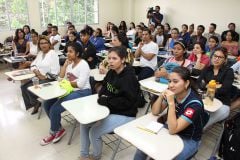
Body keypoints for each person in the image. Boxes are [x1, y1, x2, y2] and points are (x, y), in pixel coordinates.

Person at [79, 46, 141, 160]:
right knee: (84, 124)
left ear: (122, 60)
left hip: (126, 114)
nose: (110, 61)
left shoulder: (129, 77)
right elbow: (103, 89)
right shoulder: (111, 72)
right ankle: (84, 155)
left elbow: (127, 102)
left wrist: (106, 100)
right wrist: (105, 100)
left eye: (114, 58)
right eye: (109, 58)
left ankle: (96, 156)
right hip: (109, 108)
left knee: (94, 131)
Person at [134, 66, 209, 160]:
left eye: (175, 81)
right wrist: (162, 95)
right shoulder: (173, 93)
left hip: (188, 138)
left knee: (165, 157)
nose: (171, 85)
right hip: (170, 128)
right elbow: (155, 111)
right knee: (143, 146)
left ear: (186, 83)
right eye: (169, 81)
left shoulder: (194, 104)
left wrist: (171, 103)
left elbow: (173, 129)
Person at [40, 42, 92, 146]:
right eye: (67, 51)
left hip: (83, 92)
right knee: (46, 103)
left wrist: (66, 83)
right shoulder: (70, 64)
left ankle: (54, 132)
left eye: (70, 52)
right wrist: (65, 65)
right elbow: (60, 78)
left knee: (54, 109)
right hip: (69, 90)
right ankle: (59, 128)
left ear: (77, 53)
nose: (67, 54)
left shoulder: (83, 64)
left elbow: (80, 85)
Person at [20, 36, 60, 114]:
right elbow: (33, 65)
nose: (43, 45)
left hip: (50, 79)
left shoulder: (52, 54)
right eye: (41, 43)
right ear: (39, 45)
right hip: (39, 76)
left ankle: (36, 103)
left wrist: (44, 76)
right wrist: (37, 72)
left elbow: (55, 71)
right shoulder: (40, 53)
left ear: (49, 44)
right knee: (23, 86)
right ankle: (35, 103)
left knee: (30, 87)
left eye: (45, 43)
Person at [197, 47, 232, 128]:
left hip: (222, 104)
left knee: (204, 123)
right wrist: (215, 86)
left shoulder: (228, 71)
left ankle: (195, 137)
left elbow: (224, 90)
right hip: (206, 100)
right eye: (215, 56)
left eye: (220, 57)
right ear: (211, 57)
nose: (216, 59)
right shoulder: (207, 69)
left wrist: (207, 86)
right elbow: (199, 83)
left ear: (225, 60)